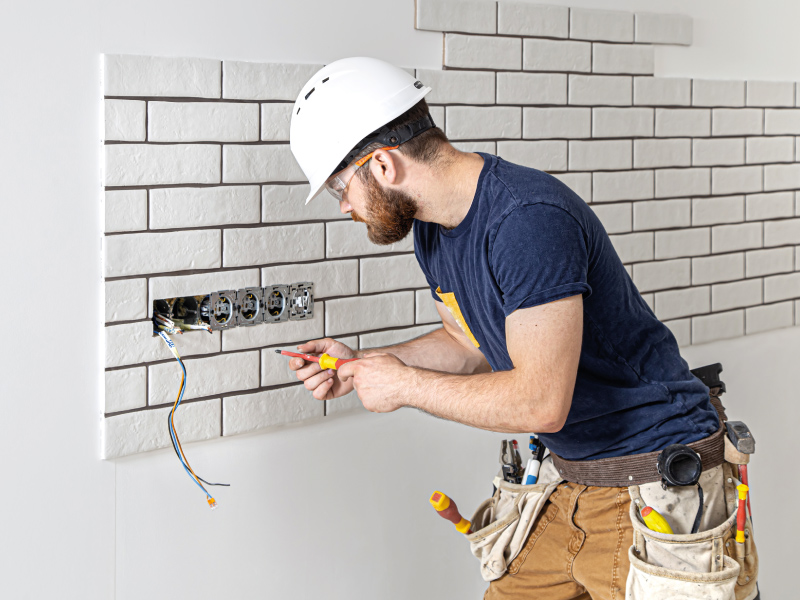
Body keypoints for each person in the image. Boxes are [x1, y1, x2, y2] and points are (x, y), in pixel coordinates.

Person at [287, 57, 756, 600]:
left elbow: (540, 403)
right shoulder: (434, 232)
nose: (344, 205)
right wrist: (367, 366)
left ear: (384, 165)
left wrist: (405, 387)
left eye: (339, 187)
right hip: (571, 474)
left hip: (657, 482)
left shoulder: (527, 221)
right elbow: (470, 342)